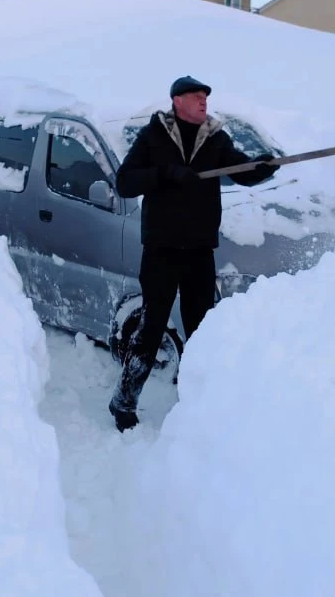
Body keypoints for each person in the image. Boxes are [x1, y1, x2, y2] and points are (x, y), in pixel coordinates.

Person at [108, 75, 279, 432]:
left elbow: (240, 170)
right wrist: (166, 174)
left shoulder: (215, 137)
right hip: (161, 249)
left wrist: (259, 169)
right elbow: (125, 182)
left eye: (205, 96)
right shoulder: (154, 136)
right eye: (197, 96)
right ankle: (123, 402)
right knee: (151, 327)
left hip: (199, 251)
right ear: (177, 101)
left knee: (202, 331)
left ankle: (200, 405)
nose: (204, 101)